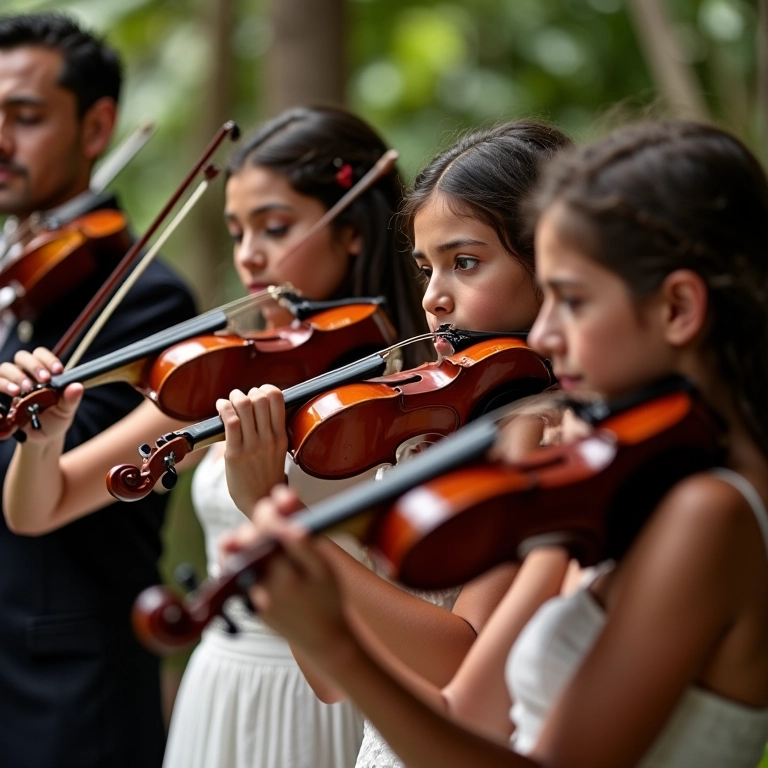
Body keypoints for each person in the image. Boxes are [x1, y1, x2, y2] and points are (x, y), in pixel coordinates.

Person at [223, 120, 768, 768]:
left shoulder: (709, 511)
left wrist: (333, 634)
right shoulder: (600, 475)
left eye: (572, 299)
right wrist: (322, 629)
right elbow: (466, 714)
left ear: (677, 308)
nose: (547, 333)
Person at [0, 104, 429, 768]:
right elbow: (38, 508)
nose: (249, 254)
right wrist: (42, 437)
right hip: (222, 684)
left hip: (333, 694)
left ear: (351, 231)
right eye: (236, 231)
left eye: (275, 227)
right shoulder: (229, 371)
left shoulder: (420, 387)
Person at [219, 120, 577, 768]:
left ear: (550, 262)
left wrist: (280, 518)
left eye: (464, 262)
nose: (434, 297)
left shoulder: (540, 434)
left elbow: (462, 658)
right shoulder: (438, 427)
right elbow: (328, 681)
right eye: (425, 268)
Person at [0, 11, 196, 768]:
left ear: (97, 127)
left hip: (66, 695)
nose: (1, 140)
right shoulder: (19, 282)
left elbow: (45, 486)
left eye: (25, 117)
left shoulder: (144, 299)